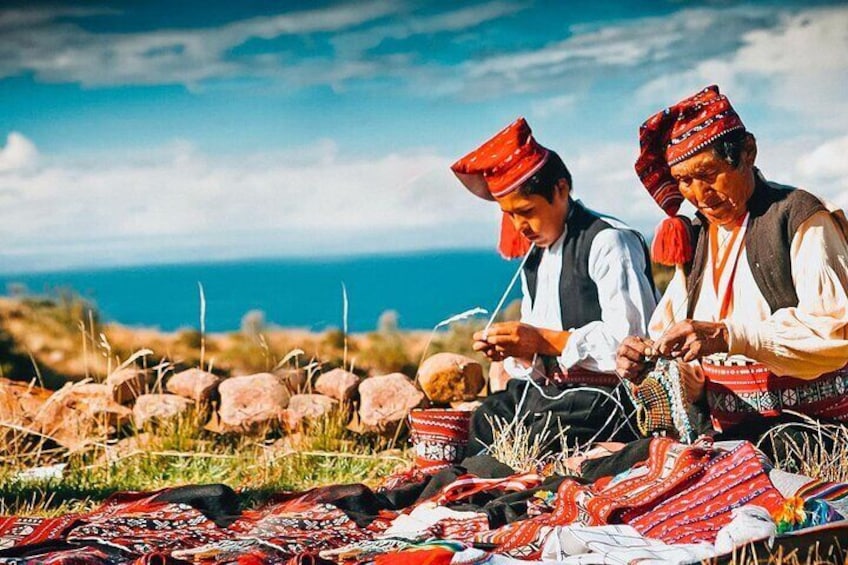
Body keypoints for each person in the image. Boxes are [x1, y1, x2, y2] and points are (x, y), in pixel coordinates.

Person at [616, 85, 848, 450]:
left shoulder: (799, 217)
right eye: (683, 180)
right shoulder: (696, 237)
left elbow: (836, 334)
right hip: (728, 434)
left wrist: (729, 336)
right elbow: (686, 362)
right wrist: (648, 362)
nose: (698, 194)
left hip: (811, 430)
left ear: (748, 152)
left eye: (707, 173)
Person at [450, 117, 658, 454]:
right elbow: (538, 361)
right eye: (510, 215)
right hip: (552, 396)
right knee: (485, 419)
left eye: (527, 211)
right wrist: (517, 350)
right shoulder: (535, 259)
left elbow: (634, 347)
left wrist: (542, 340)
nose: (520, 226)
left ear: (560, 190)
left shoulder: (609, 242)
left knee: (545, 435)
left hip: (605, 399)